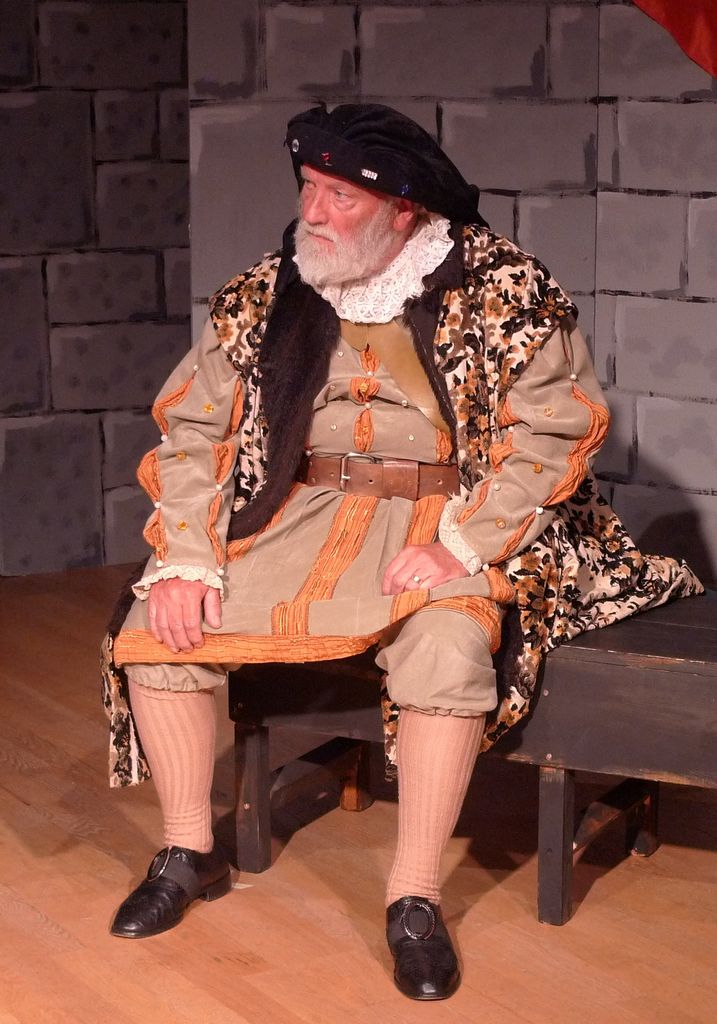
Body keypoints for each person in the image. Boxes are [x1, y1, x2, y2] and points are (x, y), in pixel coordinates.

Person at [101, 103, 701, 1001]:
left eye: (339, 197)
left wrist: (464, 545)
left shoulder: (504, 287)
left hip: (452, 513)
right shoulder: (269, 289)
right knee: (161, 624)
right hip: (300, 512)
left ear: (404, 209)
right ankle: (187, 849)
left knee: (445, 646)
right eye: (309, 187)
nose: (313, 212)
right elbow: (193, 428)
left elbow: (550, 434)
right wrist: (188, 554)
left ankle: (413, 898)